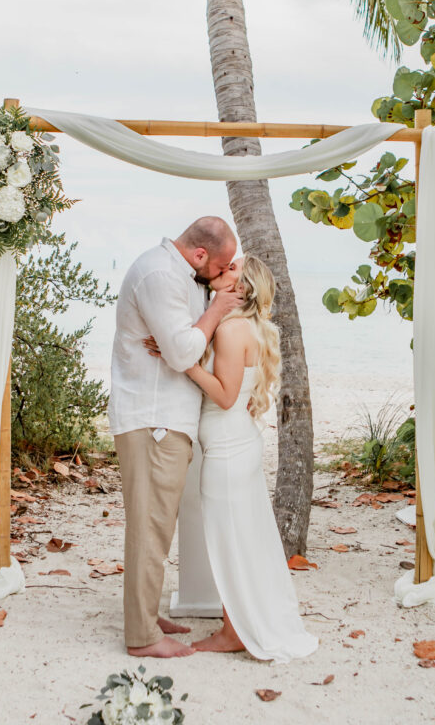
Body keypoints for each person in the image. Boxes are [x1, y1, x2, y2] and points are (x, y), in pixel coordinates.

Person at [147, 255, 318, 663]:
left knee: (229, 542)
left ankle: (232, 632)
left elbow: (223, 396)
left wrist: (183, 361)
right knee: (244, 538)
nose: (222, 271)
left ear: (242, 288)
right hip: (236, 446)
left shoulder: (232, 330)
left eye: (231, 270)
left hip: (228, 452)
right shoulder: (246, 327)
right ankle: (238, 624)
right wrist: (180, 347)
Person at [110, 217, 241, 659]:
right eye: (219, 266)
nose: (218, 277)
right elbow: (185, 349)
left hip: (164, 418)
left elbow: (184, 347)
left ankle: (144, 616)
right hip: (153, 419)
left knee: (157, 528)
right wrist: (214, 312)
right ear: (200, 254)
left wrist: (184, 339)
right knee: (150, 528)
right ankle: (143, 637)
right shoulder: (160, 273)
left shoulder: (177, 275)